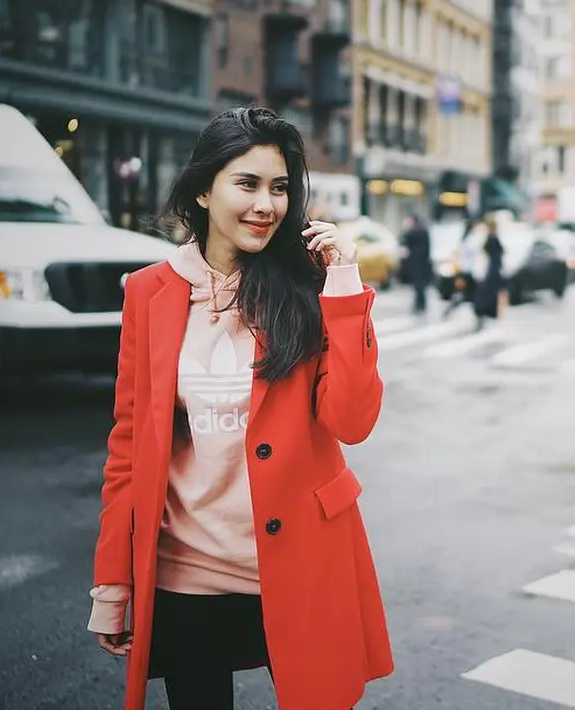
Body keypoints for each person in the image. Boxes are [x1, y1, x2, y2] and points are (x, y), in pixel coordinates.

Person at [88, 106, 393, 710]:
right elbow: (128, 446)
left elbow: (352, 421)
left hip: (298, 561)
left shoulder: (309, 286)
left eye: (280, 188)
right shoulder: (149, 293)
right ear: (203, 189)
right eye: (247, 184)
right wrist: (113, 584)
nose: (267, 204)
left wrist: (345, 286)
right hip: (188, 571)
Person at [472, 212, 506, 330]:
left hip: (489, 270)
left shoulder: (488, 238)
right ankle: (486, 314)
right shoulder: (492, 238)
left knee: (485, 294)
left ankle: (483, 315)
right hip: (492, 270)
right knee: (489, 294)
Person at [400, 213, 432, 315]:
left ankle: (419, 305)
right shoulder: (423, 230)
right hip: (423, 262)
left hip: (416, 262)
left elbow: (404, 240)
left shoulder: (415, 232)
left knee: (418, 285)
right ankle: (421, 304)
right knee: (420, 285)